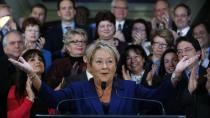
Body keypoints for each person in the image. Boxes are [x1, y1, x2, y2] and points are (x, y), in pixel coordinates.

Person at [9, 40, 199, 115]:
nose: (105, 66)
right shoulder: (78, 89)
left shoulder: (131, 88)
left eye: (110, 61)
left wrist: (176, 74)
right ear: (89, 64)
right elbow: (52, 98)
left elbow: (159, 97)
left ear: (116, 64)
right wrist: (32, 73)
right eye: (99, 62)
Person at [7, 49, 47, 118]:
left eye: (40, 59)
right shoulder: (15, 90)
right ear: (23, 66)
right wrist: (30, 99)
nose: (38, 61)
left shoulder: (48, 89)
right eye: (32, 60)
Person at [0, 30, 24, 118]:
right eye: (12, 43)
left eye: (20, 42)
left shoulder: (30, 62)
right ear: (4, 48)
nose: (17, 46)